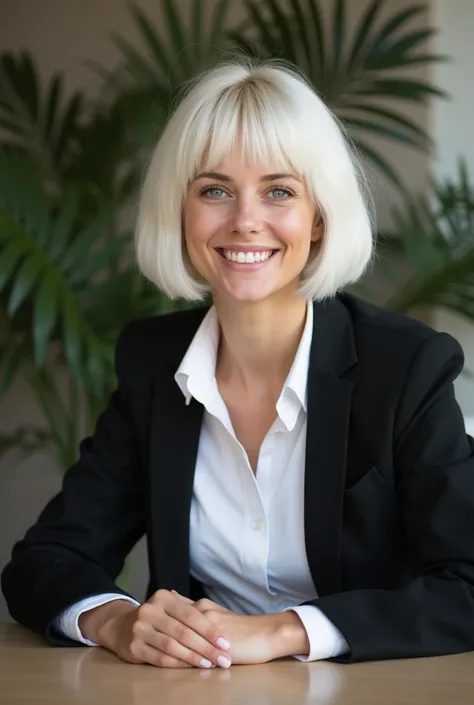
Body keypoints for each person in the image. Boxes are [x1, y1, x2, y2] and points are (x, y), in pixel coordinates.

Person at [3, 57, 474, 670]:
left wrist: (284, 632)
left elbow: (467, 582)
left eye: (279, 191)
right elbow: (44, 561)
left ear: (319, 217)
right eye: (214, 190)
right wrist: (118, 621)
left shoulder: (405, 367)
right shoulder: (154, 364)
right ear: (181, 212)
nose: (245, 219)